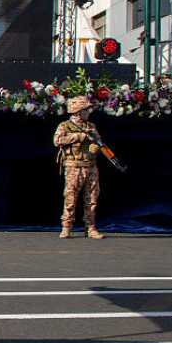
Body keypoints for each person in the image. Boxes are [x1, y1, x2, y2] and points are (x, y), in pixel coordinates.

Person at [54, 96, 105, 240]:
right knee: (70, 197)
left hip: (90, 166)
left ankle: (91, 227)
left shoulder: (91, 126)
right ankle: (67, 227)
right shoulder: (65, 126)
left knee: (92, 198)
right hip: (74, 166)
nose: (88, 112)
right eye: (85, 110)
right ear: (77, 111)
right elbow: (57, 141)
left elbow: (99, 142)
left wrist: (96, 147)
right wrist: (78, 137)